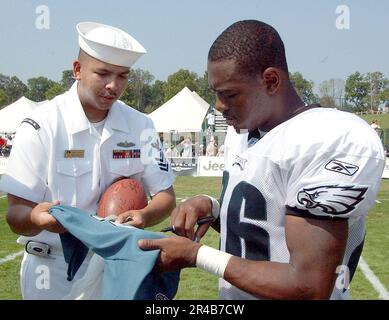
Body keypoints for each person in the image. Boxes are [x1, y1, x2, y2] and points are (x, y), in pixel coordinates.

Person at [138, 20, 385, 300]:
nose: (218, 105)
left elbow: (309, 286)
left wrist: (198, 255)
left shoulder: (329, 138)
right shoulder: (243, 133)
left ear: (270, 81)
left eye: (229, 93)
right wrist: (213, 208)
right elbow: (265, 230)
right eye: (215, 93)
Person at [0, 21, 176, 300]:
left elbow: (166, 196)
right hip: (51, 268)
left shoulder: (141, 125)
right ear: (78, 70)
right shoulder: (41, 125)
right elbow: (15, 213)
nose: (113, 85)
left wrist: (144, 215)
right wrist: (37, 217)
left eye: (123, 76)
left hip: (115, 264)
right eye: (103, 73)